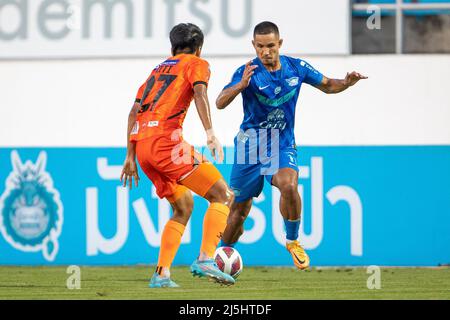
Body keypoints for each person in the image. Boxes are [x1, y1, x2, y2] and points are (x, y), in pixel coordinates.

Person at [216, 21, 367, 270]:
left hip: (281, 143)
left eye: (271, 46)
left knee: (288, 184)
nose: (266, 52)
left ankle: (293, 240)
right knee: (239, 211)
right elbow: (220, 102)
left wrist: (346, 82)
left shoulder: (296, 67)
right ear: (254, 46)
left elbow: (328, 85)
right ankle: (221, 258)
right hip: (249, 146)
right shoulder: (246, 72)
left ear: (280, 44)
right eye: (261, 47)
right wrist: (240, 86)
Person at [120, 23, 235, 287]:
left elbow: (133, 113)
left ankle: (161, 274)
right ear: (199, 48)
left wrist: (130, 157)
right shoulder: (197, 63)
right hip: (167, 145)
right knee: (223, 195)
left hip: (144, 150)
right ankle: (206, 258)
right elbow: (200, 92)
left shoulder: (155, 72)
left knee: (183, 206)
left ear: (171, 48)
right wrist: (210, 133)